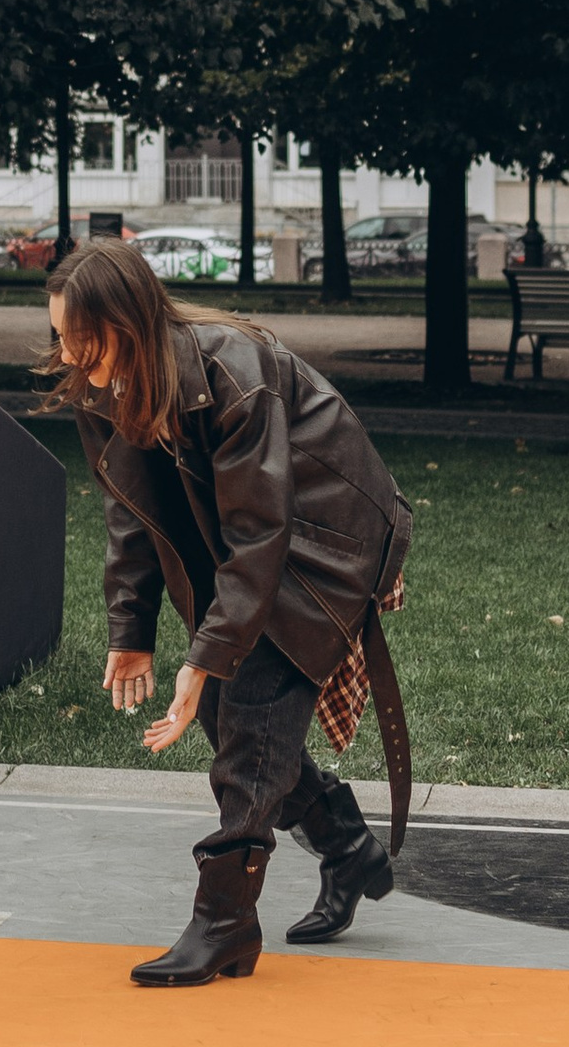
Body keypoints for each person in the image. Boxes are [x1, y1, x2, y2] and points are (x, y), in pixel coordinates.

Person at [44, 242, 412, 987]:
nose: (71, 355)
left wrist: (205, 659)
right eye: (60, 337)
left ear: (130, 321)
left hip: (326, 538)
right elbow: (134, 517)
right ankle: (348, 848)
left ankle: (224, 925)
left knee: (248, 717)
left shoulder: (233, 374)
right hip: (252, 535)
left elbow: (261, 534)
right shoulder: (104, 382)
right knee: (235, 725)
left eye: (83, 339)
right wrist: (134, 635)